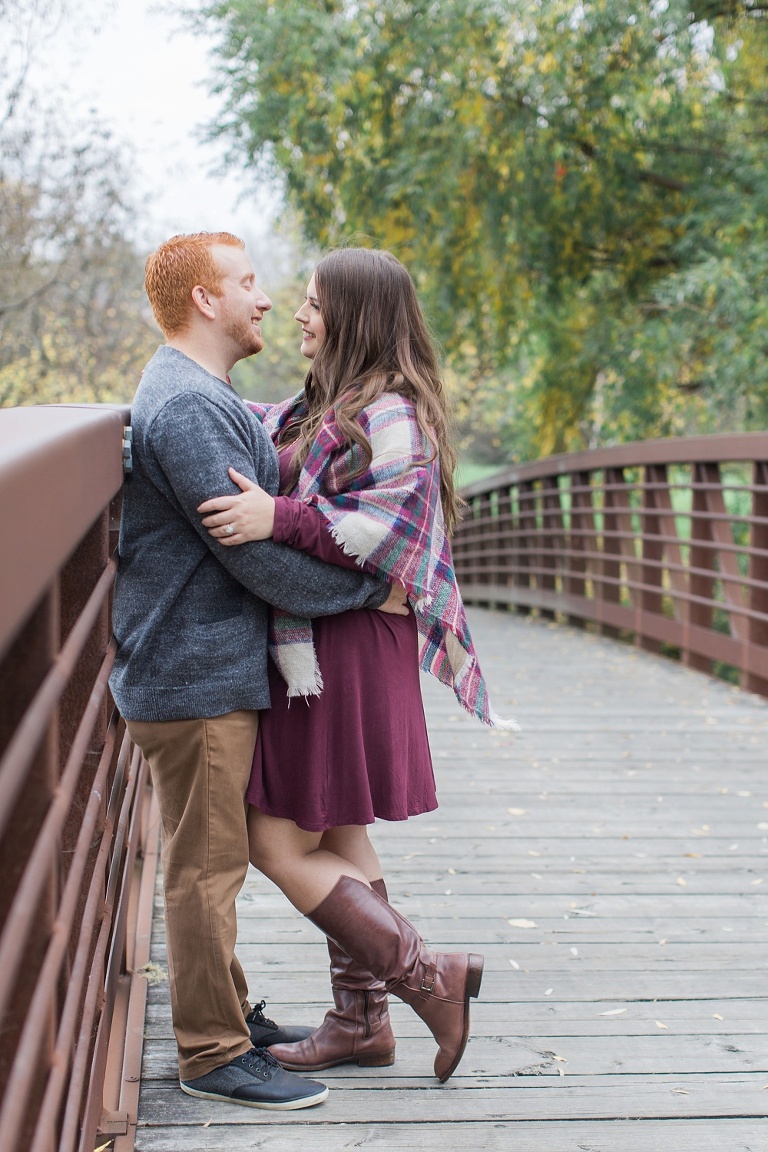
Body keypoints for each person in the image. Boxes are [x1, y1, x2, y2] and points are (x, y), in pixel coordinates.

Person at [197, 248, 517, 1084]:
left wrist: (278, 518)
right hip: (333, 642)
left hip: (343, 648)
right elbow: (245, 428)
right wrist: (169, 405)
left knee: (276, 841)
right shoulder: (322, 406)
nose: (299, 314)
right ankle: (362, 1022)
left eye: (313, 302)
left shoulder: (391, 412)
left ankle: (428, 976)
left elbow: (378, 533)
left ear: (354, 315)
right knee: (338, 831)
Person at [109, 232, 409, 1111]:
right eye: (247, 282)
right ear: (205, 300)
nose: (267, 298)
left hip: (206, 663)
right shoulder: (188, 405)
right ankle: (212, 1054)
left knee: (215, 857)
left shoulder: (201, 396)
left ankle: (233, 1015)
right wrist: (373, 591)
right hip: (193, 670)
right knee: (206, 870)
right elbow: (261, 562)